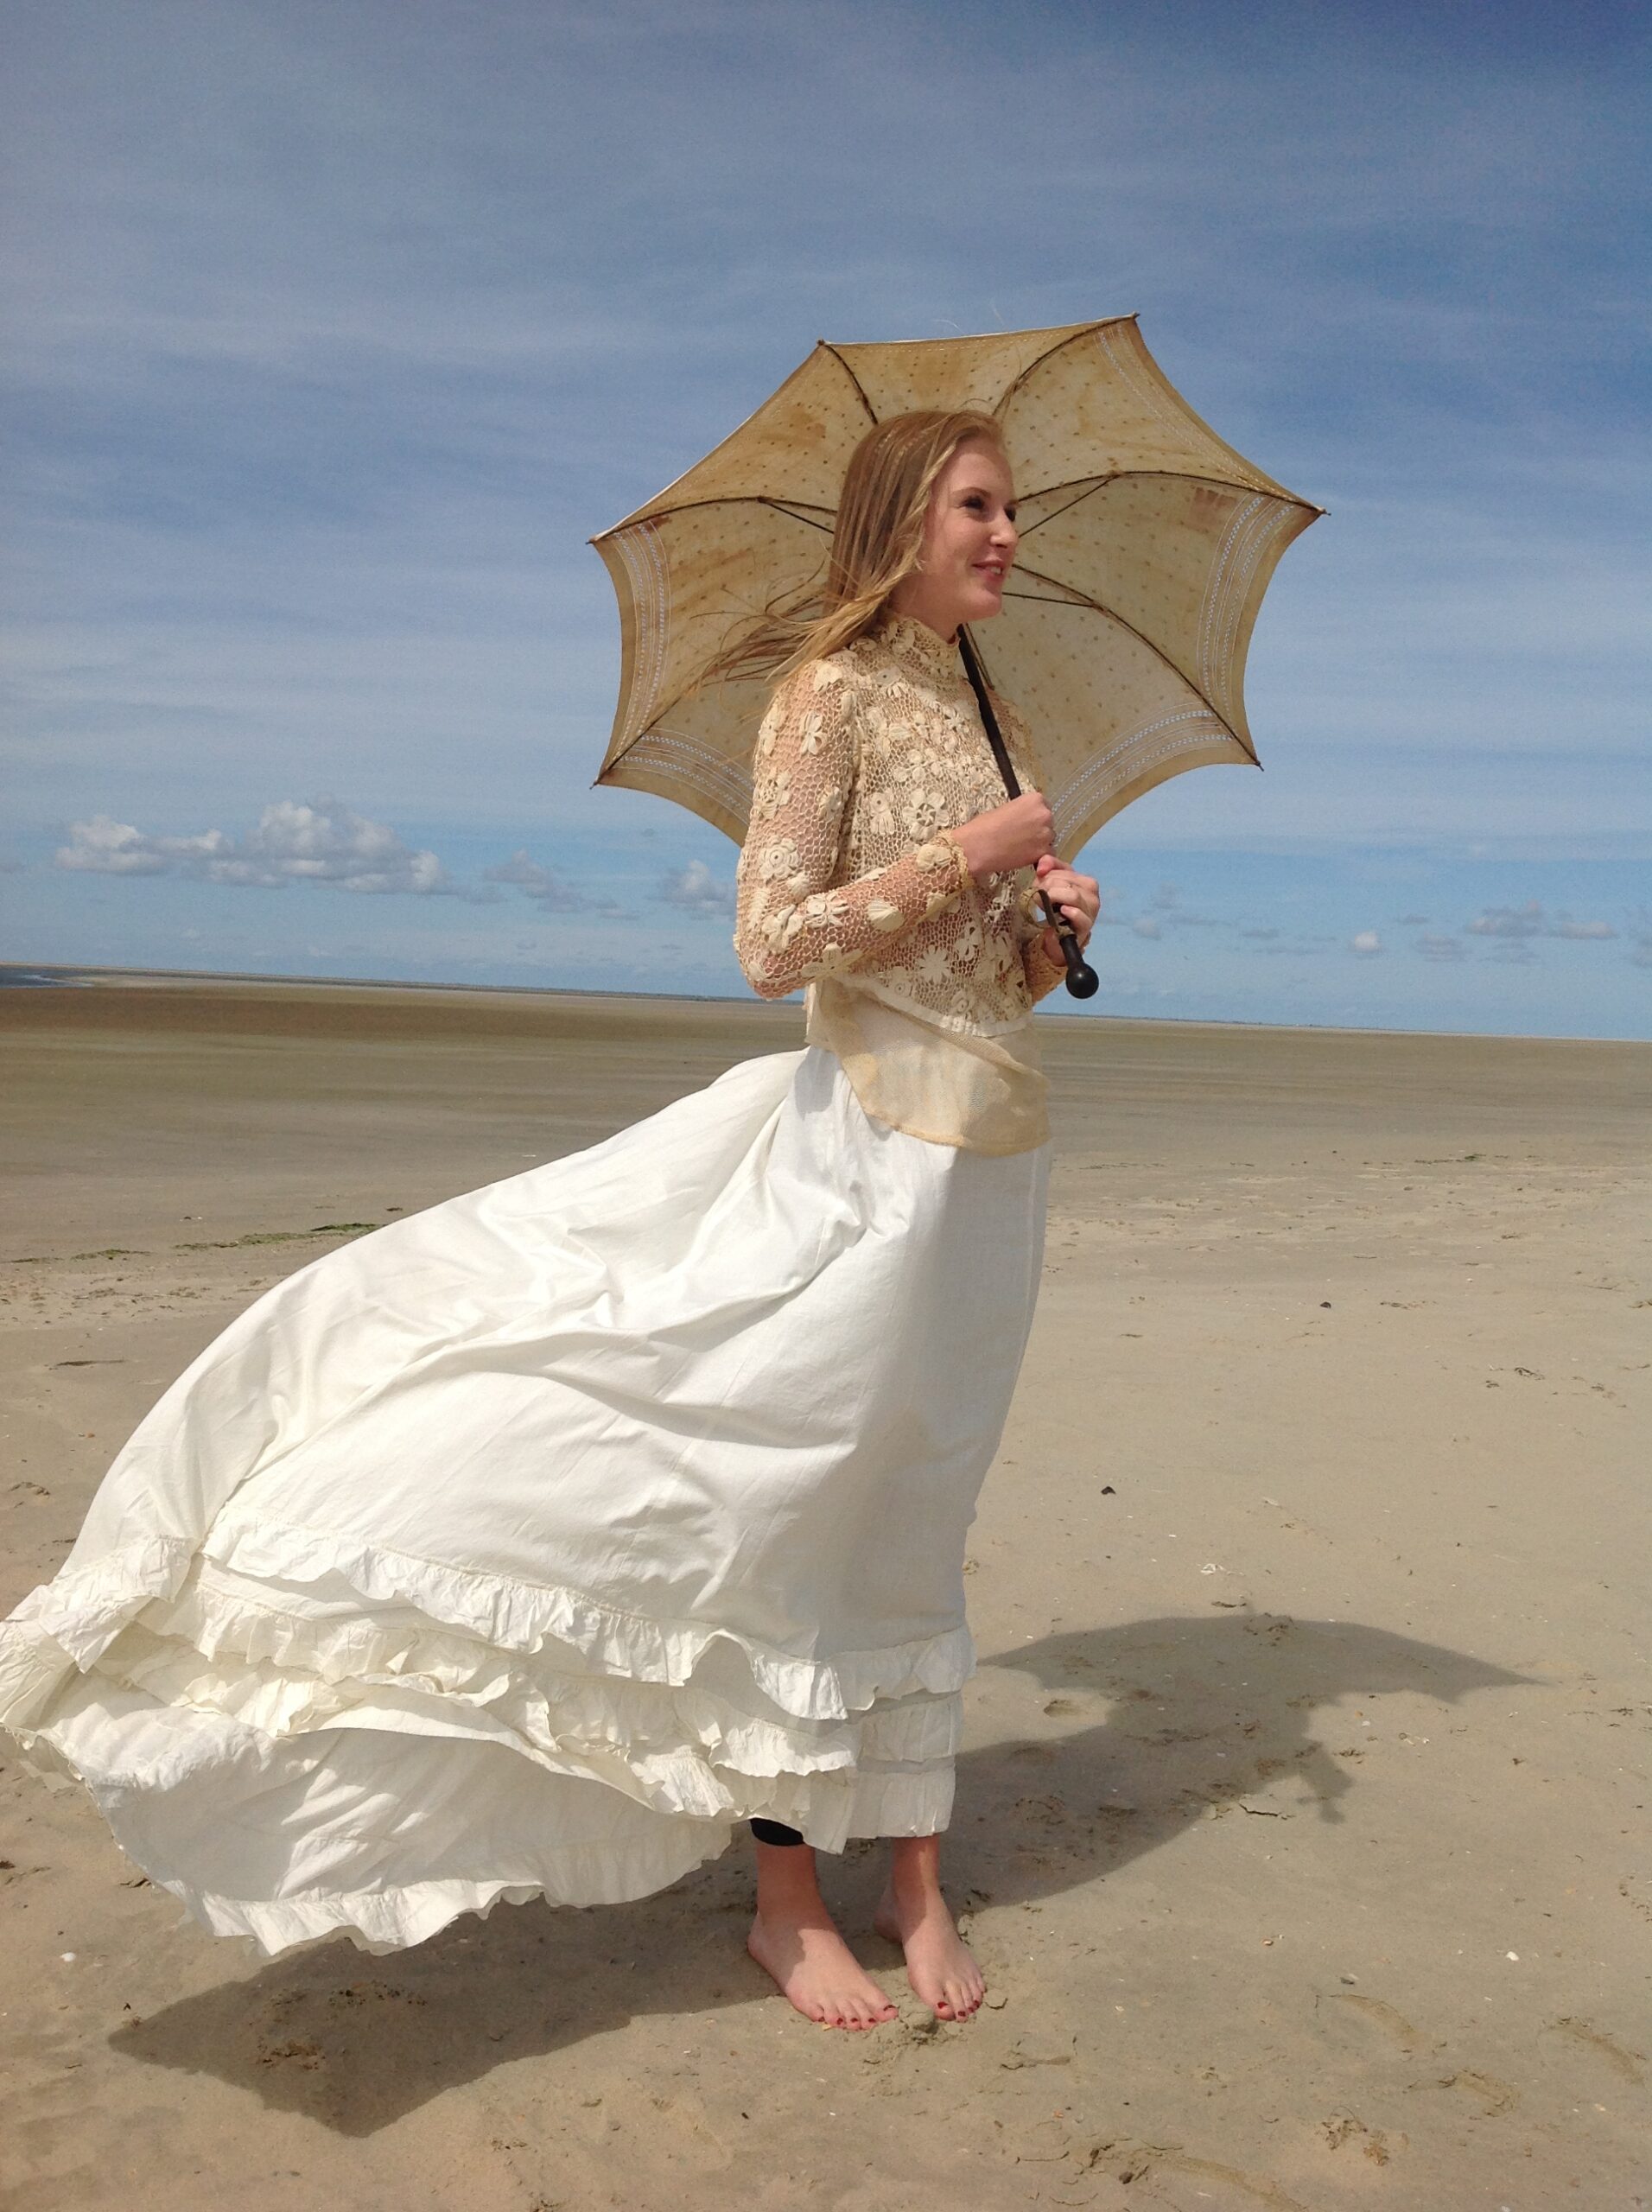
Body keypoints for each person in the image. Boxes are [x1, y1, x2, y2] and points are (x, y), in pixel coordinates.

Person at [0, 409, 1098, 2035]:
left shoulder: (992, 706)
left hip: (985, 1171)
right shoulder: (829, 694)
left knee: (917, 1513)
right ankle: (789, 1902)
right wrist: (969, 852)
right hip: (855, 1161)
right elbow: (773, 943)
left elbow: (976, 978)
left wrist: (1047, 928)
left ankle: (915, 1881)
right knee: (791, 1518)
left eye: (1015, 510)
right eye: (980, 506)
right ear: (901, 522)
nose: (1009, 534)